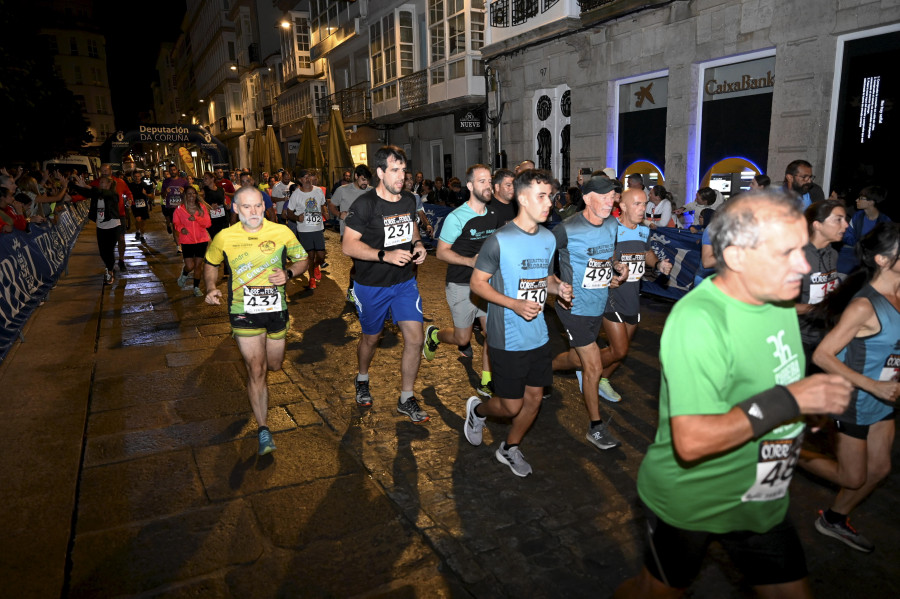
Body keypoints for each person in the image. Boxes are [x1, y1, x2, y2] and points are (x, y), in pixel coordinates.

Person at [614, 191, 852, 598]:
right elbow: (691, 442)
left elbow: (772, 380)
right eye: (787, 252)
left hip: (763, 497)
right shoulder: (699, 320)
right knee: (653, 593)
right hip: (695, 498)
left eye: (803, 249)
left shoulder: (779, 300)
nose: (803, 263)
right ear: (738, 257)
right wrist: (793, 401)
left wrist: (808, 415)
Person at [464, 169, 573, 477]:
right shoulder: (499, 240)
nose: (549, 203)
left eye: (550, 196)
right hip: (507, 337)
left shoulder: (549, 237)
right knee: (511, 406)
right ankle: (478, 410)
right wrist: (513, 303)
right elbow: (477, 284)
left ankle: (509, 447)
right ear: (522, 198)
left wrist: (559, 288)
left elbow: (546, 278)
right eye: (541, 196)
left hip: (538, 334)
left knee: (535, 398)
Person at [799, 222, 900, 553]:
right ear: (884, 260)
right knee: (853, 477)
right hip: (854, 398)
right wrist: (873, 384)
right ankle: (785, 450)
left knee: (880, 468)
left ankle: (834, 519)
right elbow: (824, 355)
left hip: (884, 399)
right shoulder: (864, 306)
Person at [204, 186, 309, 455]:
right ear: (236, 209)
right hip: (243, 310)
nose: (253, 212)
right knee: (257, 368)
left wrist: (288, 273)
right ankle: (264, 430)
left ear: (264, 207)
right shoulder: (225, 237)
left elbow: (302, 259)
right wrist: (211, 286)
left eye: (258, 206)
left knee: (274, 365)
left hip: (276, 310)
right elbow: (211, 262)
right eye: (246, 207)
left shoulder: (282, 231)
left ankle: (263, 365)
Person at [342, 146, 429, 422]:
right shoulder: (364, 204)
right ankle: (362, 378)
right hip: (371, 285)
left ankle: (406, 398)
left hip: (404, 282)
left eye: (403, 170)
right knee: (371, 338)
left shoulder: (408, 200)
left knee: (416, 338)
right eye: (395, 170)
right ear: (380, 172)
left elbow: (411, 226)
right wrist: (384, 255)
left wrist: (418, 244)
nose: (402, 176)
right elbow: (347, 246)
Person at [549, 176, 624, 450]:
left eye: (613, 196)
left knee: (577, 358)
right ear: (588, 197)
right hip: (574, 307)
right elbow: (542, 254)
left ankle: (544, 370)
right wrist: (555, 285)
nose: (610, 201)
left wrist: (616, 268)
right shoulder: (567, 228)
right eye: (604, 197)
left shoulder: (613, 224)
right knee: (592, 366)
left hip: (599, 302)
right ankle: (595, 427)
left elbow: (608, 257)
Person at [423, 164, 499, 396]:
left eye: (489, 181)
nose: (488, 185)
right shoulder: (457, 217)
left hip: (487, 285)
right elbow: (442, 252)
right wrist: (470, 261)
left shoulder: (494, 214)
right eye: (482, 181)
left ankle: (486, 381)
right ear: (469, 186)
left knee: (492, 335)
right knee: (462, 338)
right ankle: (434, 335)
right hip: (461, 284)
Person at [598, 188, 673, 403]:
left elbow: (646, 252)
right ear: (622, 205)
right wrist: (614, 264)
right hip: (611, 293)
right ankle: (587, 369)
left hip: (632, 294)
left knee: (620, 350)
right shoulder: (610, 228)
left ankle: (601, 379)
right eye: (637, 204)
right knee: (620, 350)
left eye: (645, 204)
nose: (643, 209)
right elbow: (602, 252)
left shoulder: (642, 231)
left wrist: (658, 263)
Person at [795, 200, 847, 364]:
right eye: (838, 219)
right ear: (817, 225)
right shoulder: (796, 257)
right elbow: (776, 307)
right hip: (799, 338)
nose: (845, 225)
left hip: (826, 335)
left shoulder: (832, 254)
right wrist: (817, 308)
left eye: (845, 219)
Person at [332, 165, 371, 302]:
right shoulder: (342, 190)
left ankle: (360, 290)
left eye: (367, 180)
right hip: (349, 235)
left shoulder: (372, 192)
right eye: (363, 179)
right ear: (356, 177)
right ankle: (352, 290)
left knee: (367, 264)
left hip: (369, 234)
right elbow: (331, 204)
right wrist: (338, 214)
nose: (365, 183)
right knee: (359, 263)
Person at [283, 168, 327, 289]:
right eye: (305, 177)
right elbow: (289, 212)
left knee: (321, 256)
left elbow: (323, 204)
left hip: (318, 228)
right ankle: (311, 278)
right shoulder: (296, 194)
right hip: (304, 230)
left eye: (309, 176)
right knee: (310, 256)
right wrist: (297, 218)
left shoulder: (318, 191)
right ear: (300, 180)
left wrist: (325, 212)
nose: (308, 179)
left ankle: (315, 266)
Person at [837, 185, 890, 276]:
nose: (857, 200)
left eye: (861, 198)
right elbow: (847, 236)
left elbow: (886, 245)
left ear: (871, 202)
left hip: (873, 256)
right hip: (853, 252)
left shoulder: (884, 221)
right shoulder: (858, 216)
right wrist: (860, 244)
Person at [173, 186, 212, 296]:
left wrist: (197, 219)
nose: (191, 196)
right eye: (189, 194)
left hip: (201, 240)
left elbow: (208, 223)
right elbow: (176, 223)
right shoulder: (180, 209)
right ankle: (184, 274)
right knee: (190, 266)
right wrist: (182, 229)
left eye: (193, 193)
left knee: (198, 265)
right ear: (185, 195)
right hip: (187, 241)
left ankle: (196, 288)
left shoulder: (201, 208)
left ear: (196, 195)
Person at [92, 164, 132, 269]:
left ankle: (121, 260)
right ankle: (110, 265)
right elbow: (86, 193)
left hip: (120, 215)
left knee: (121, 238)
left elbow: (128, 193)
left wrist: (129, 200)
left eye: (106, 170)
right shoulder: (97, 183)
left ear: (111, 171)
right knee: (108, 244)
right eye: (102, 171)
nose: (104, 172)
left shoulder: (120, 182)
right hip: (104, 218)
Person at [161, 164, 188, 251]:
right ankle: (178, 246)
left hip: (182, 208)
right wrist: (166, 192)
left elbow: (189, 194)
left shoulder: (183, 181)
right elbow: (162, 195)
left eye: (174, 170)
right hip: (171, 207)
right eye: (171, 170)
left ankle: (185, 241)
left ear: (177, 170)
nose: (173, 171)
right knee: (175, 226)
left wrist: (183, 192)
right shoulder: (166, 182)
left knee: (184, 225)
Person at [127, 170, 153, 243]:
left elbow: (152, 196)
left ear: (140, 177)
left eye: (138, 176)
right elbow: (127, 194)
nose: (137, 178)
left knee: (143, 222)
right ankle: (140, 234)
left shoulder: (145, 185)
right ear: (133, 177)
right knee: (138, 219)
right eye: (135, 177)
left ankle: (140, 234)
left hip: (144, 205)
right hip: (135, 205)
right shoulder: (130, 185)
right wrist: (128, 199)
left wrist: (146, 194)